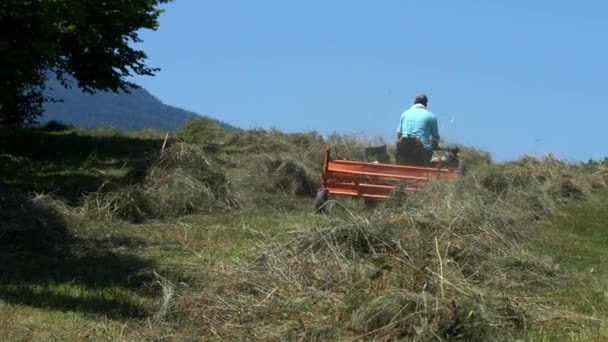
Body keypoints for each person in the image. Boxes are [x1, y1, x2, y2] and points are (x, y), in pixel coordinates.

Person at [395, 93, 440, 165]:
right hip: (421, 153)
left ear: (414, 102)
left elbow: (399, 135)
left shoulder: (404, 114)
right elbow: (435, 137)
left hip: (403, 150)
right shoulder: (431, 116)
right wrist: (434, 144)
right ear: (426, 104)